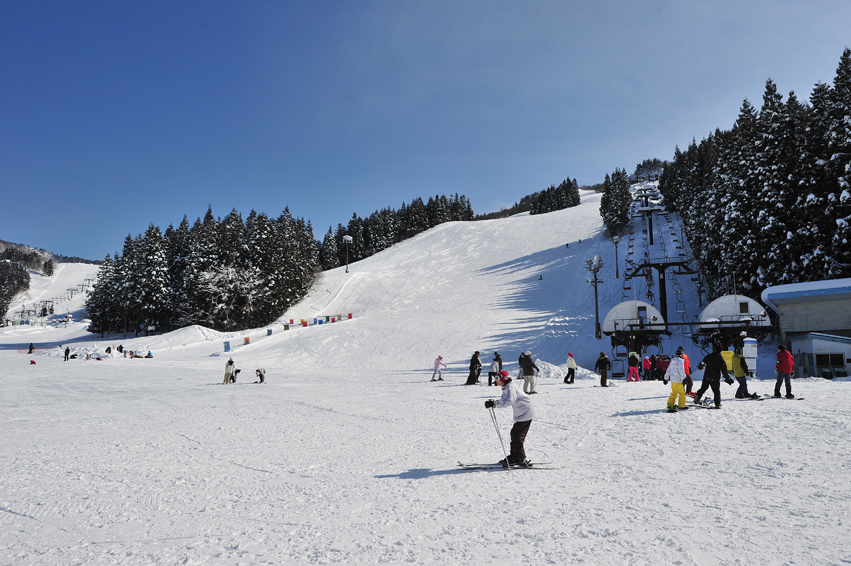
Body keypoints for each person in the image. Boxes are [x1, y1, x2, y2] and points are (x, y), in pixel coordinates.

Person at [484, 371, 536, 467]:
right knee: (514, 434)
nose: (496, 381)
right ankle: (514, 456)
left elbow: (509, 401)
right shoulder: (506, 387)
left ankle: (520, 458)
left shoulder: (510, 388)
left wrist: (495, 404)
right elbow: (504, 400)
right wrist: (494, 403)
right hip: (522, 412)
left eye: (497, 379)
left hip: (525, 412)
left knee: (517, 435)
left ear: (503, 379)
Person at [694, 343, 733, 408]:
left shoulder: (709, 356)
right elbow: (724, 369)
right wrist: (727, 377)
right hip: (715, 378)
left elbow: (703, 361)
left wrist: (701, 365)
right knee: (716, 391)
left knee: (703, 388)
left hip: (707, 376)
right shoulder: (721, 359)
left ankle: (697, 397)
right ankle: (717, 403)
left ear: (715, 350)